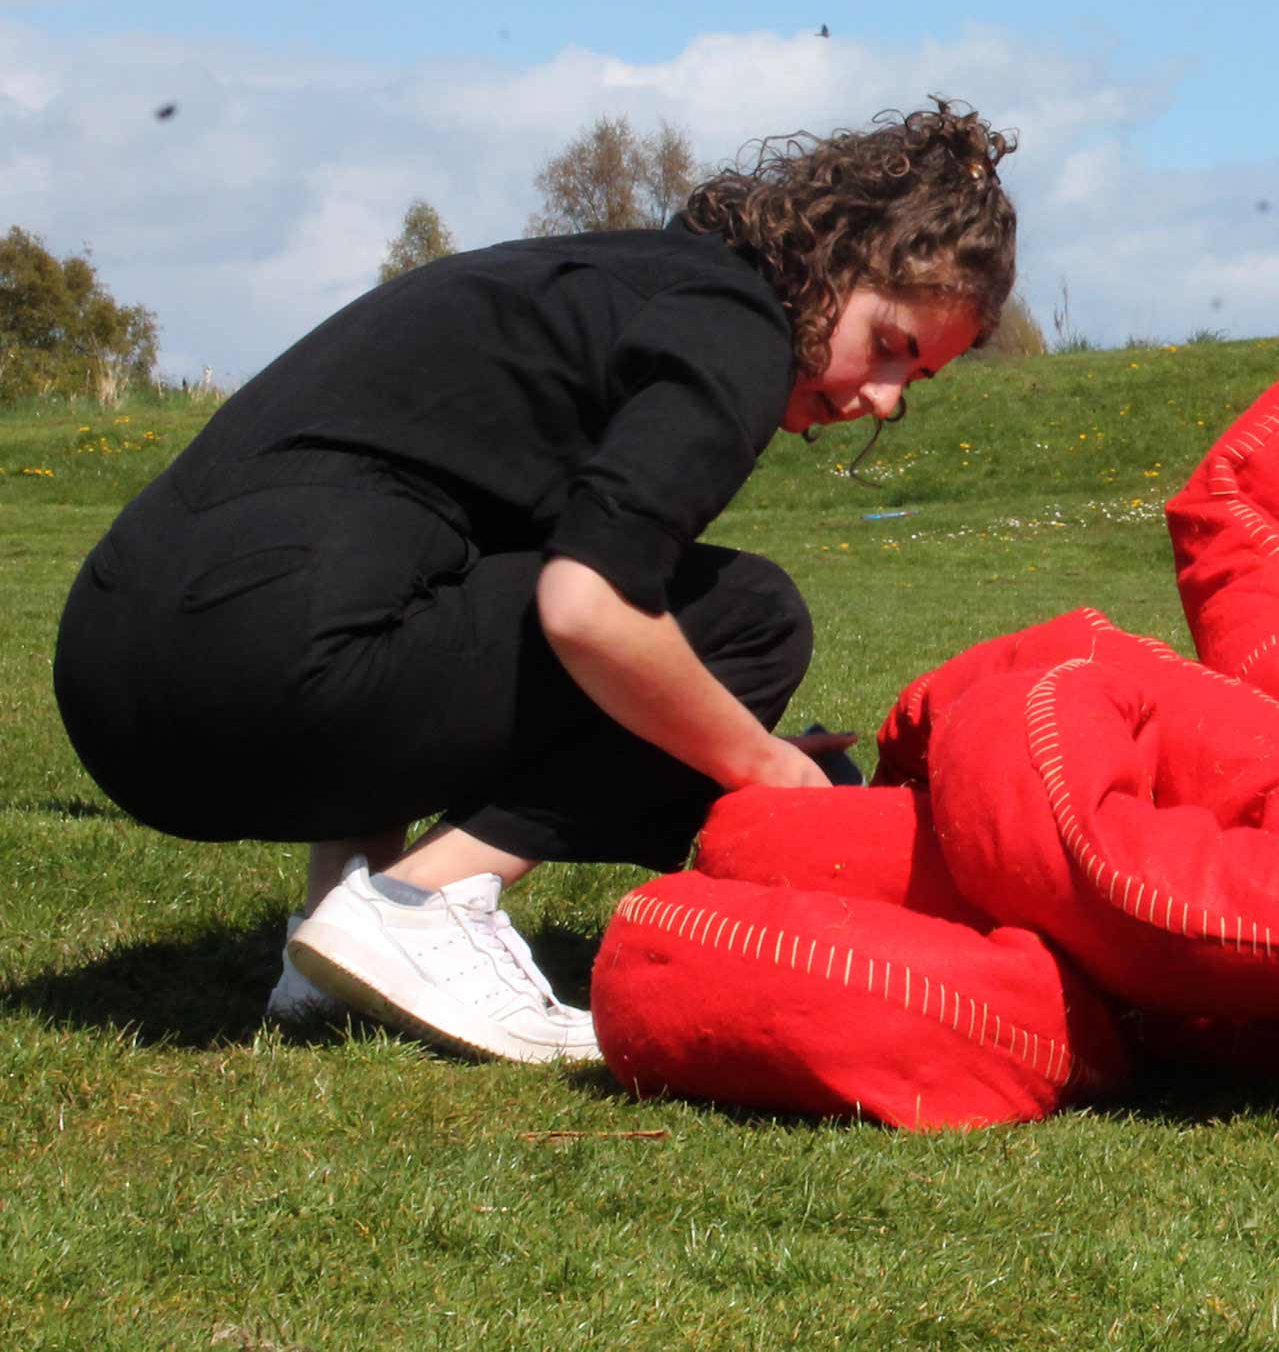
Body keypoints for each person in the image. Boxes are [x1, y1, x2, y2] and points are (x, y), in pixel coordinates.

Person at [52, 99, 1017, 1064]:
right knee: (751, 621)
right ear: (832, 258)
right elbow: (590, 606)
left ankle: (331, 940)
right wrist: (760, 766)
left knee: (425, 568)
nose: (881, 397)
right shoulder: (738, 329)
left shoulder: (617, 284)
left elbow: (422, 568)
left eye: (914, 378)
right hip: (264, 664)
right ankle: (417, 906)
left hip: (115, 685)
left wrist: (710, 732)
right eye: (888, 343)